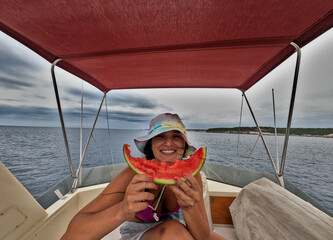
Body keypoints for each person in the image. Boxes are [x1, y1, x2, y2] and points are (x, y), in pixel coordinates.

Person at [61, 113, 226, 240]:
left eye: (176, 136)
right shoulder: (133, 175)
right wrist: (123, 209)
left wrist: (190, 209)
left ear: (184, 144)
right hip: (141, 236)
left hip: (180, 232)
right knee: (172, 230)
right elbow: (72, 235)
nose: (169, 143)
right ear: (151, 143)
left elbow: (203, 236)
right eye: (160, 136)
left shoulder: (191, 177)